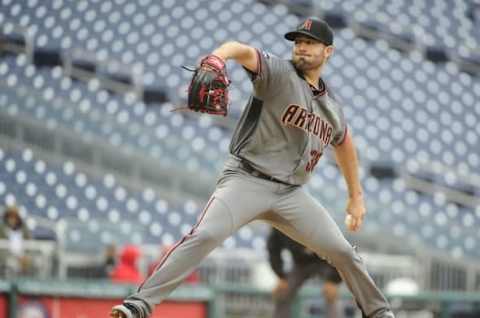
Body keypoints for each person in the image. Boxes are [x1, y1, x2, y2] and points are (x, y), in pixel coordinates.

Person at [111, 17, 394, 318]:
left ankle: (379, 313)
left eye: (309, 43)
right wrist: (217, 58)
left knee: (343, 253)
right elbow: (238, 49)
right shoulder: (278, 73)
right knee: (204, 236)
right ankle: (138, 305)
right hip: (247, 178)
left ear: (328, 52)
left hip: (291, 194)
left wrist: (356, 197)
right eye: (298, 42)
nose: (301, 48)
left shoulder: (332, 109)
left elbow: (345, 144)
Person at [268, 227, 344, 318]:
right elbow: (274, 249)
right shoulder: (280, 221)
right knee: (283, 292)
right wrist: (281, 276)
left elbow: (337, 249)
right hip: (300, 264)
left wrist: (333, 280)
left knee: (330, 294)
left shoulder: (317, 219)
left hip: (325, 262)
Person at [0, 205, 32, 276]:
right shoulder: (2, 229)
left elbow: (29, 244)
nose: (12, 219)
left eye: (14, 217)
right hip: (6, 257)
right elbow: (2, 247)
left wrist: (24, 256)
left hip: (23, 257)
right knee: (11, 263)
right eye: (10, 217)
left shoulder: (24, 229)